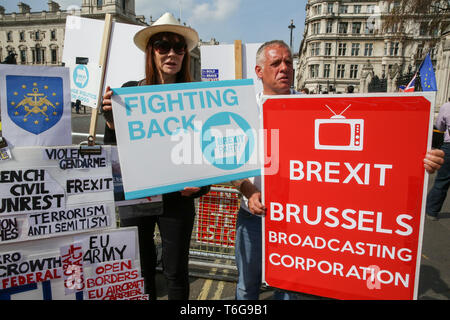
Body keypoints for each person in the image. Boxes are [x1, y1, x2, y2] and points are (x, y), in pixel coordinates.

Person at [231, 40, 445, 300]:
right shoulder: (243, 114)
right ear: (259, 71)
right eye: (276, 63)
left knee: (288, 291)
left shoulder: (314, 107)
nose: (284, 68)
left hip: (299, 224)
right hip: (253, 219)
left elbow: (377, 150)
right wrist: (249, 189)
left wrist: (418, 159)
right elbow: (232, 166)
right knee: (246, 288)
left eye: (289, 62)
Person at [100, 12, 210, 300]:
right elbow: (114, 151)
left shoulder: (197, 97)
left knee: (176, 273)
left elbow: (207, 152)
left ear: (185, 55)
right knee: (140, 269)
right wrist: (111, 122)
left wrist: (201, 187)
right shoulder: (128, 93)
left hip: (178, 200)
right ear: (152, 52)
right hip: (138, 196)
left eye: (179, 48)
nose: (172, 53)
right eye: (163, 46)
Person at [426, 99, 450, 220]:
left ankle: (431, 210)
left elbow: (440, 127)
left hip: (448, 145)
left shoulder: (446, 106)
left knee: (442, 181)